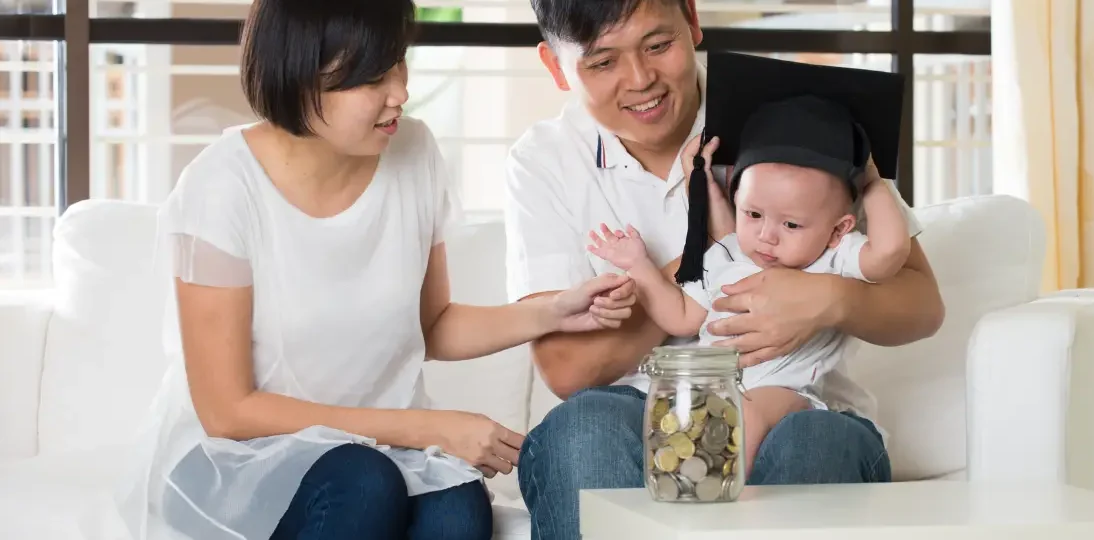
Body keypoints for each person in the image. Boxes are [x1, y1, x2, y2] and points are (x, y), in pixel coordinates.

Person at [111, 0, 637, 539]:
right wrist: (430, 428)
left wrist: (554, 312)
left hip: (377, 447)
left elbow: (432, 325)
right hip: (240, 458)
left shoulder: (413, 150)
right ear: (297, 81)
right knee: (365, 483)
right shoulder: (221, 188)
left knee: (458, 509)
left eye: (398, 64)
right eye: (371, 79)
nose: (400, 94)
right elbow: (228, 410)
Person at [505, 0, 945, 538]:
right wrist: (705, 253)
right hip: (637, 406)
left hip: (798, 409)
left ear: (691, 20)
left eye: (659, 45)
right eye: (602, 63)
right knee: (582, 431)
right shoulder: (545, 160)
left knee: (815, 444)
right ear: (555, 66)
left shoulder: (793, 118)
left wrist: (829, 298)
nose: (641, 80)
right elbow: (568, 370)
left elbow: (922, 307)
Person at [585, 51, 914, 477]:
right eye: (754, 215)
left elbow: (889, 255)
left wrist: (871, 180)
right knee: (702, 424)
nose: (766, 236)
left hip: (788, 392)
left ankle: (740, 515)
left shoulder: (836, 258)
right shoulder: (728, 257)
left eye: (791, 224)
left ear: (838, 228)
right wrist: (642, 266)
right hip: (716, 392)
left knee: (746, 417)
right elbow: (682, 317)